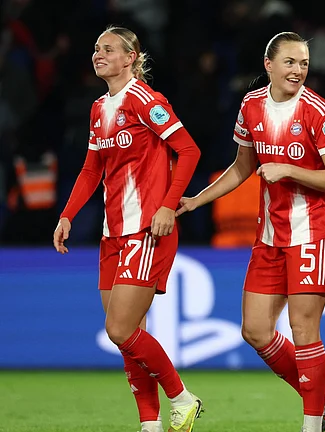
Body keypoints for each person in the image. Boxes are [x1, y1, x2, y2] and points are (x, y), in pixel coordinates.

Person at [175, 32, 325, 432]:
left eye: (303, 63)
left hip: (314, 233)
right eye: (290, 62)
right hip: (270, 236)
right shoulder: (251, 106)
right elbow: (241, 167)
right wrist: (197, 201)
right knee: (255, 330)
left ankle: (311, 423)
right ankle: (320, 404)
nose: (298, 70)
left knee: (304, 331)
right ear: (268, 65)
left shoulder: (318, 112)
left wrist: (288, 169)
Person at [53, 26, 203, 432]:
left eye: (108, 49)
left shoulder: (145, 100)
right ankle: (149, 424)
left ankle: (182, 397)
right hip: (112, 232)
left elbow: (189, 150)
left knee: (119, 328)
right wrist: (67, 214)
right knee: (128, 335)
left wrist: (168, 206)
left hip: (147, 229)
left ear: (131, 57)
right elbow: (91, 168)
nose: (98, 54)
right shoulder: (99, 107)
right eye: (96, 48)